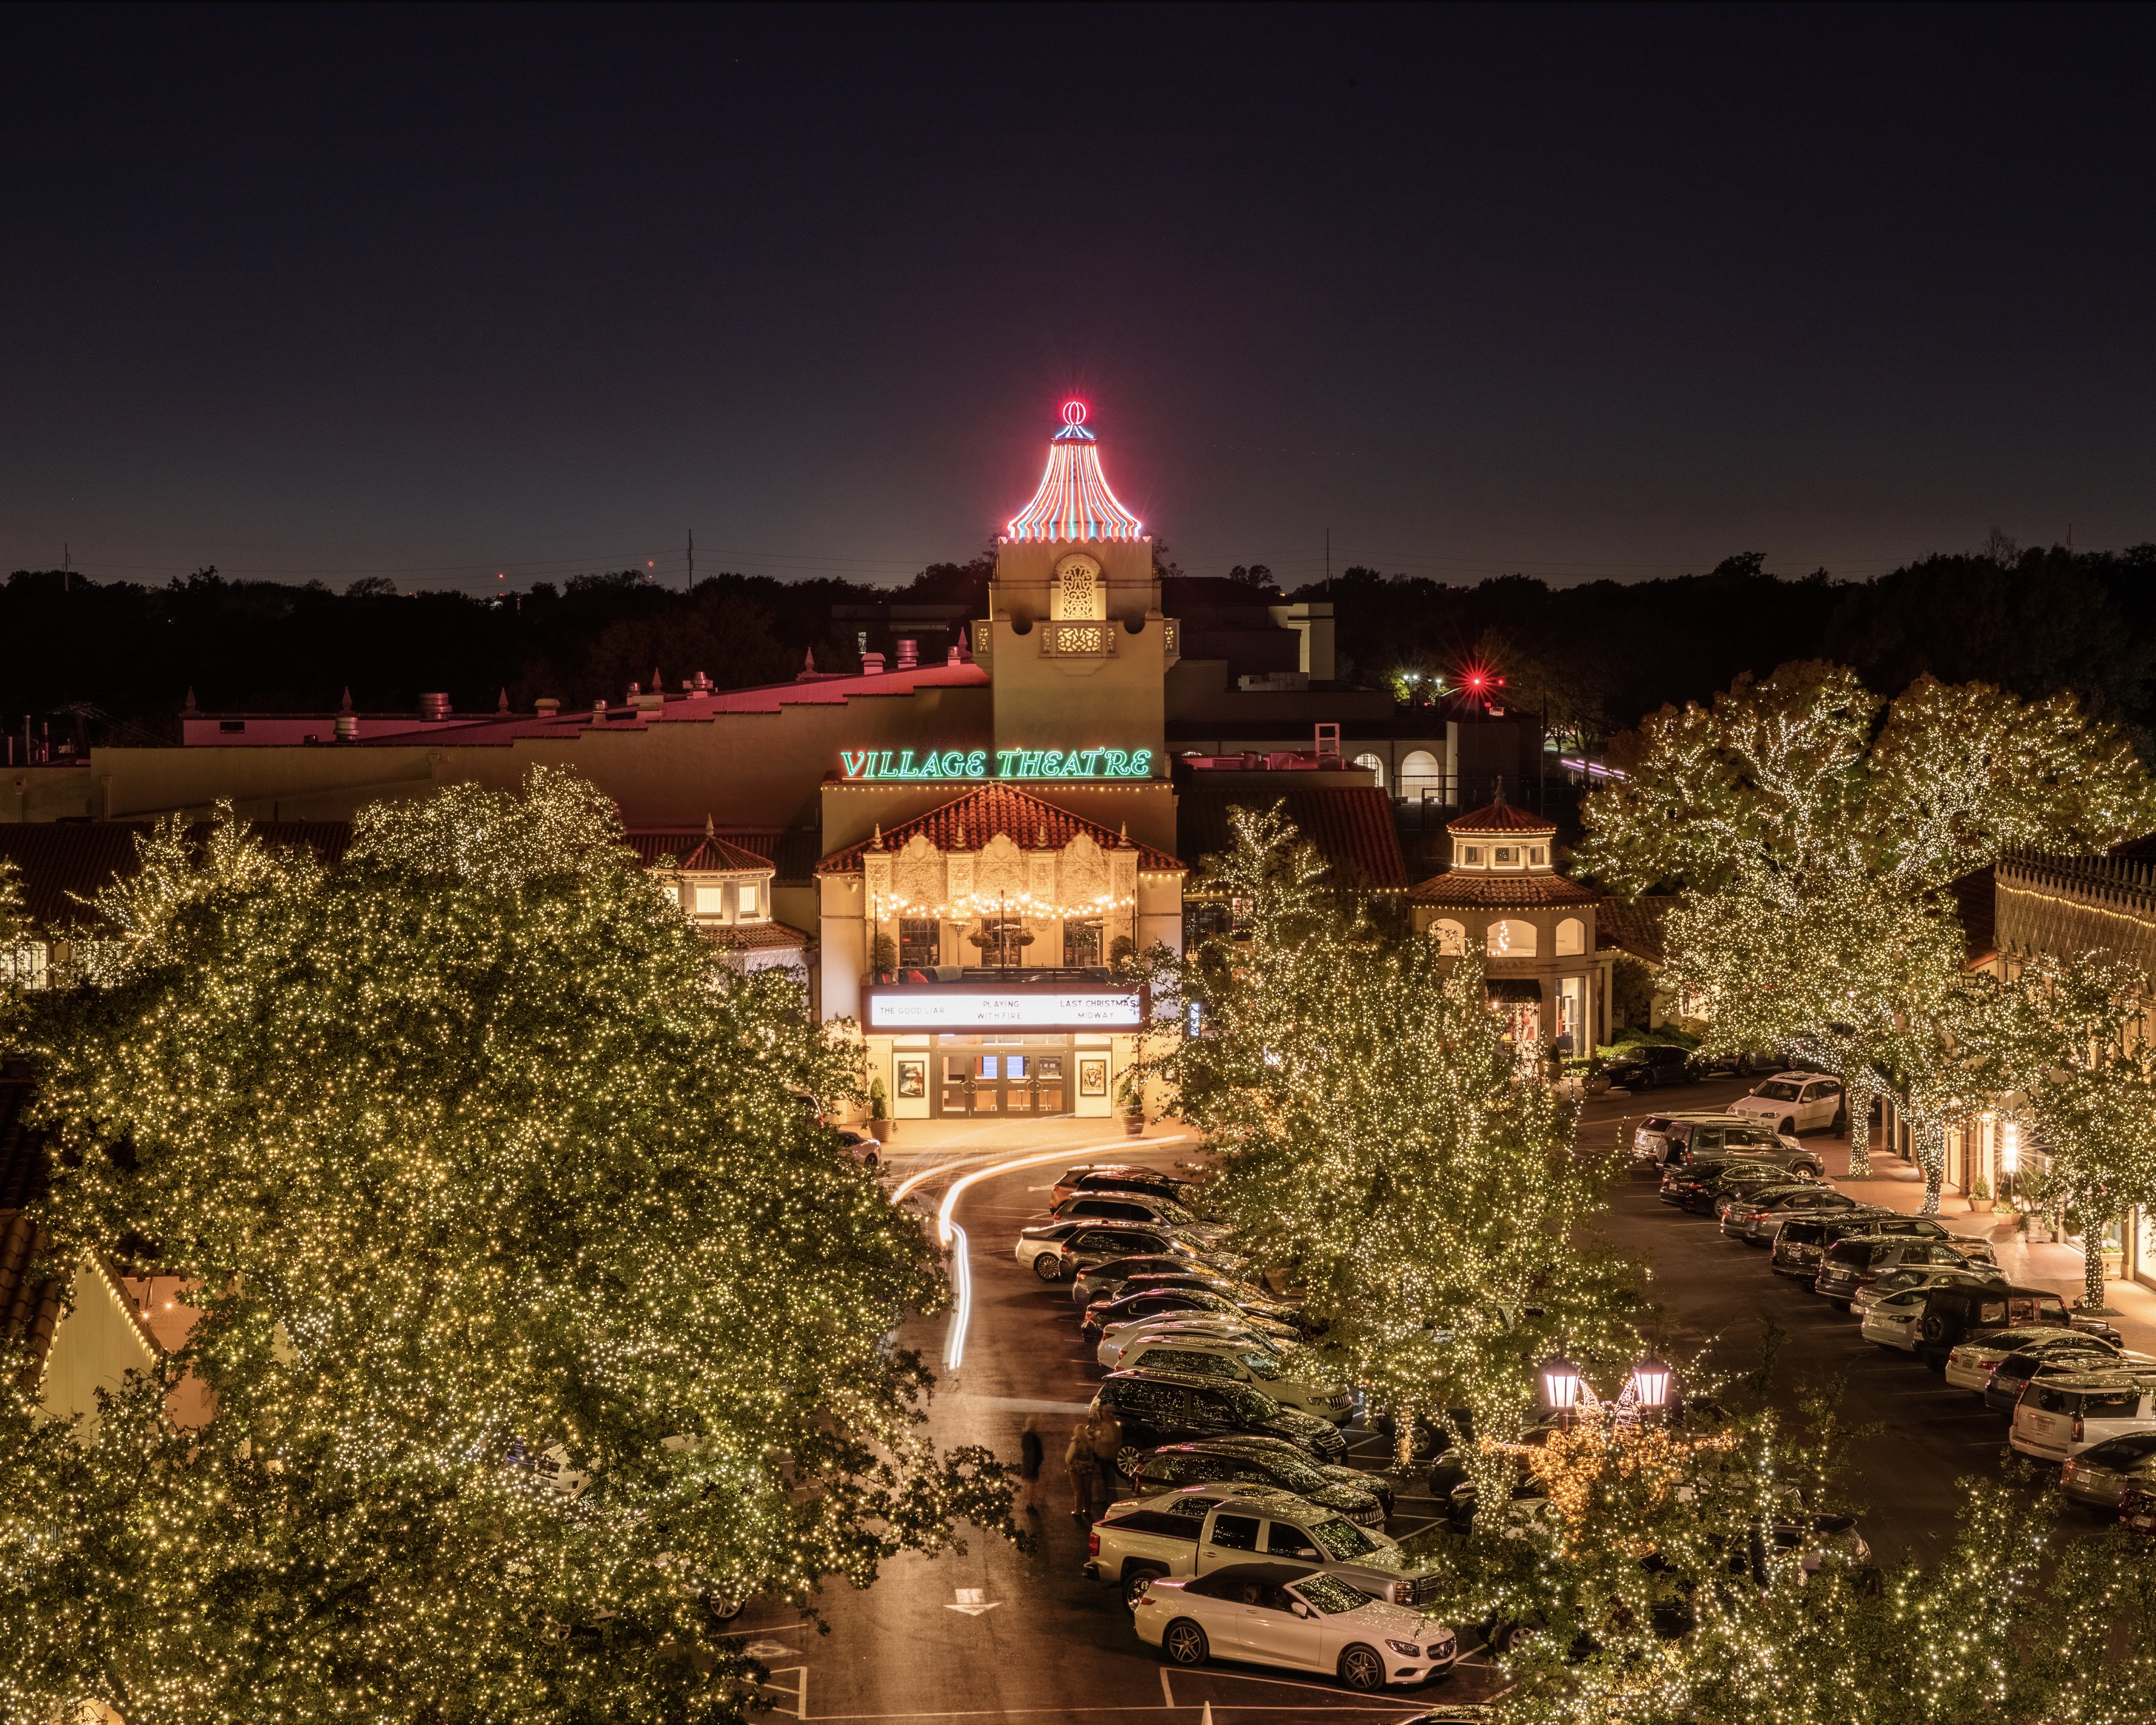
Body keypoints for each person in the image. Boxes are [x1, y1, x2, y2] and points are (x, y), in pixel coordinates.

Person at [1088, 1406, 1125, 1519]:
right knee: (1104, 1480)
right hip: (1104, 1456)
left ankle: (1108, 1500)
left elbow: (1112, 1439)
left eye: (1105, 1412)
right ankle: (1105, 1498)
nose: (1103, 1414)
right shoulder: (1110, 1425)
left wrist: (1100, 1437)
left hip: (1106, 1457)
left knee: (1107, 1480)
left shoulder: (1112, 1425)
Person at [1065, 1419, 1098, 1525]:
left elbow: (1069, 1458)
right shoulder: (1090, 1443)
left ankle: (1078, 1511)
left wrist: (1069, 1463)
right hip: (1088, 1469)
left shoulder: (1075, 1443)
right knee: (1088, 1490)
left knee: (1079, 1491)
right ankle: (1087, 1510)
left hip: (1076, 1470)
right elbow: (1093, 1454)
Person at [1019, 1417, 1043, 1517]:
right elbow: (1035, 1452)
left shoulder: (1026, 1436)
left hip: (1029, 1463)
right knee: (1031, 1484)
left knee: (1030, 1483)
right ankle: (1029, 1504)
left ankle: (1030, 1503)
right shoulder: (1033, 1437)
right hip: (1032, 1464)